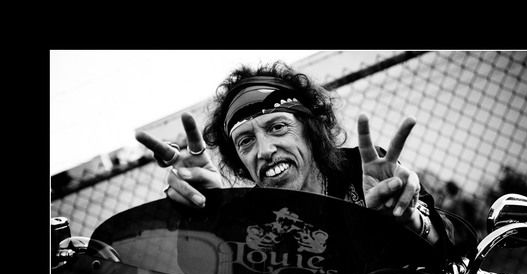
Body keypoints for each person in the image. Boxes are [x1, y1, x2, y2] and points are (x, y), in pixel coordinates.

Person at [135, 61, 453, 254]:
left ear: (310, 130)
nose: (264, 150)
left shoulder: (363, 171)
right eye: (245, 141)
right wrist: (206, 219)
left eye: (277, 127)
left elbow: (449, 247)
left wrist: (409, 219)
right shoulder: (246, 221)